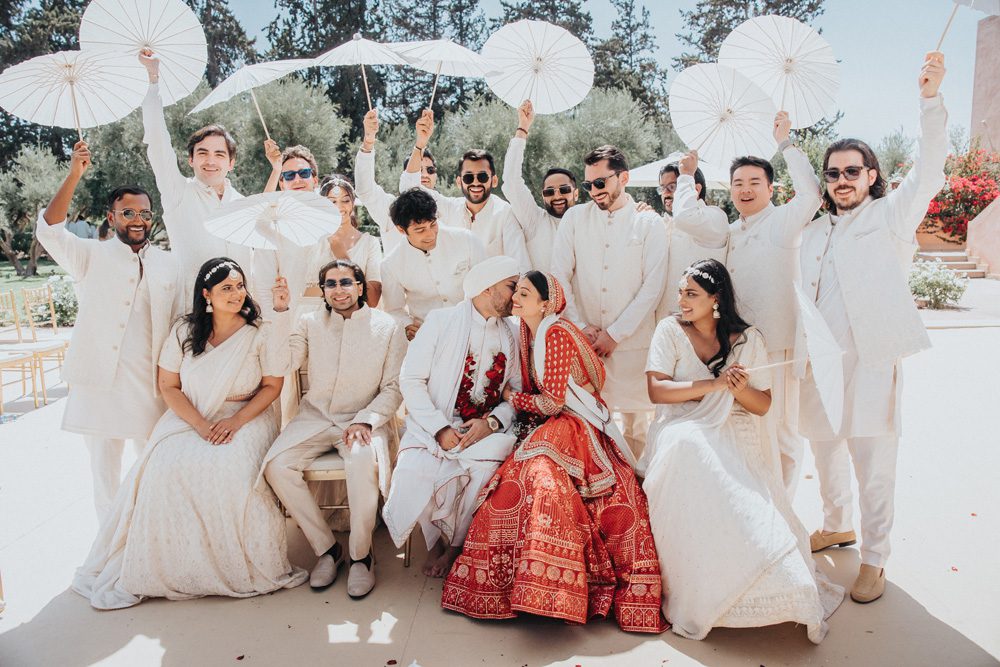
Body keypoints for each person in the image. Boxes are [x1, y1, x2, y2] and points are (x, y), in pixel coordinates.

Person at [72, 258, 308, 609]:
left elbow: (272, 387)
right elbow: (168, 385)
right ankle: (174, 565)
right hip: (192, 414)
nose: (236, 293)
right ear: (206, 294)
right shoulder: (185, 331)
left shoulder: (258, 332)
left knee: (227, 467)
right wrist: (199, 424)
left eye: (240, 286)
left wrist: (235, 422)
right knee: (164, 467)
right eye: (226, 287)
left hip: (247, 415)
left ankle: (236, 565)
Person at [442, 271, 667, 633]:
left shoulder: (556, 333)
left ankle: (555, 586)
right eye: (516, 292)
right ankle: (513, 583)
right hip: (552, 422)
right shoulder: (527, 333)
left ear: (546, 304)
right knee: (517, 481)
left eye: (525, 294)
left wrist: (508, 398)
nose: (516, 298)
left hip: (575, 423)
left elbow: (550, 402)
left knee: (540, 475)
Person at [801, 52, 948, 604]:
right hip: (820, 366)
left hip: (871, 365)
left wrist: (929, 101)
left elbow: (931, 165)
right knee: (825, 454)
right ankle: (836, 524)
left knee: (873, 467)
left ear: (872, 175)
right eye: (833, 173)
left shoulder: (892, 217)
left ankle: (876, 559)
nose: (842, 180)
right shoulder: (815, 234)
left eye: (852, 171)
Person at [640, 259, 843, 643]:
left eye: (692, 294)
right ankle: (704, 584)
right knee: (690, 448)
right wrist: (715, 386)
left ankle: (775, 576)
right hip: (682, 424)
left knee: (732, 482)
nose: (681, 300)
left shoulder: (749, 340)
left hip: (735, 425)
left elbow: (763, 405)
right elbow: (657, 391)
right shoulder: (669, 330)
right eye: (681, 292)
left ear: (716, 299)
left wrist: (737, 390)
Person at [35, 141, 183, 520]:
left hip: (150, 389)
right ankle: (108, 551)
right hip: (100, 386)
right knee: (105, 477)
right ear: (112, 216)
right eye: (128, 212)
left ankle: (148, 540)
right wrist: (74, 175)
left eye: (144, 213)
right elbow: (50, 232)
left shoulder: (168, 265)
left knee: (155, 467)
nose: (137, 219)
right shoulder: (90, 254)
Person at [263, 260, 405, 598]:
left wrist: (366, 419)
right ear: (323, 290)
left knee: (359, 460)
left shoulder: (388, 326)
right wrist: (282, 312)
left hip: (363, 418)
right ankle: (327, 550)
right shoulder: (309, 322)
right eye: (330, 284)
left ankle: (361, 555)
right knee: (276, 466)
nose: (338, 289)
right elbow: (283, 364)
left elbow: (394, 388)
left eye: (346, 282)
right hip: (315, 416)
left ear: (359, 287)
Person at [383, 257, 522, 578]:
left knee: (485, 469)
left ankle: (458, 546)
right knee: (415, 472)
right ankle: (434, 544)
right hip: (431, 427)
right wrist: (440, 428)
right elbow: (411, 379)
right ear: (489, 288)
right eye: (511, 287)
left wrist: (491, 423)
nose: (515, 296)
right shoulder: (441, 321)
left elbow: (516, 391)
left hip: (482, 432)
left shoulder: (512, 333)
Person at [551, 144, 667, 459]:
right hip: (584, 347)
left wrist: (616, 333)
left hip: (632, 348)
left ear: (623, 178)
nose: (594, 191)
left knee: (636, 432)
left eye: (600, 183)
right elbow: (559, 275)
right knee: (589, 431)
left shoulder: (649, 224)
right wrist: (579, 327)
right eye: (588, 185)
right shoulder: (574, 219)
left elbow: (652, 286)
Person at [138, 50, 249, 294]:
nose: (210, 161)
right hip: (191, 309)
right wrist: (152, 79)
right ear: (190, 160)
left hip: (238, 314)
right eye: (202, 153)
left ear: (231, 163)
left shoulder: (242, 205)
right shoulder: (178, 192)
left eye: (219, 154)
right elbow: (157, 141)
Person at [400, 110, 530, 271]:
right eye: (469, 178)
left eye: (482, 177)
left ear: (494, 180)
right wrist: (420, 144)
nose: (475, 183)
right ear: (459, 182)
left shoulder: (505, 214)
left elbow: (520, 265)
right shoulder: (448, 208)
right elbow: (409, 189)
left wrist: (523, 129)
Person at [380, 188, 486, 340]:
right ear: (401, 229)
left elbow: (487, 286)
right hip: (429, 337)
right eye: (420, 230)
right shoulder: (390, 265)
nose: (430, 234)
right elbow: (394, 309)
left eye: (433, 224)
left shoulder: (467, 240)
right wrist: (408, 325)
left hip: (475, 330)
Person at [501, 100, 579, 271]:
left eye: (564, 190)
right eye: (550, 192)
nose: (557, 196)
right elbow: (511, 182)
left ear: (576, 194)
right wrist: (522, 128)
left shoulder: (589, 222)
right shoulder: (535, 221)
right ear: (543, 196)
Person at [355, 108, 439, 256]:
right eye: (417, 170)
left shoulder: (446, 209)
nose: (424, 175)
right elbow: (365, 190)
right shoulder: (389, 210)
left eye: (430, 170)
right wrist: (368, 142)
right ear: (405, 176)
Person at [653, 160, 729, 318]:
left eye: (673, 187)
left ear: (695, 189)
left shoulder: (715, 217)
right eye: (662, 188)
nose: (666, 193)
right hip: (664, 324)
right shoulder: (667, 223)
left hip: (699, 325)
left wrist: (686, 175)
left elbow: (684, 217)